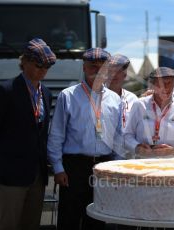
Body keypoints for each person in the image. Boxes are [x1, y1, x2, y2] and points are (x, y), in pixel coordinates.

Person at [0, 38, 56, 230]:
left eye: (48, 65)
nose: (43, 69)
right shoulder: (5, 91)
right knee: (9, 225)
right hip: (10, 176)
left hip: (37, 177)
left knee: (31, 225)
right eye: (39, 64)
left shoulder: (46, 93)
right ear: (24, 61)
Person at [47, 48, 122, 230]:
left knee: (96, 220)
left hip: (103, 167)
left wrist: (116, 166)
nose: (96, 70)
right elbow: (56, 135)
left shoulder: (114, 99)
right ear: (84, 67)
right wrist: (58, 168)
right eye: (91, 66)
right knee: (69, 219)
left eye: (101, 67)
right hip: (74, 168)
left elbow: (119, 136)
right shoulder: (68, 95)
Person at [124, 67, 174, 158]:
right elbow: (127, 136)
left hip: (172, 167)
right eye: (161, 84)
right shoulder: (139, 105)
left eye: (169, 83)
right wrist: (136, 148)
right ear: (152, 85)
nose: (165, 87)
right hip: (143, 164)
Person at [107, 54, 138, 159]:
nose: (114, 75)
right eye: (111, 71)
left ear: (124, 75)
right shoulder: (97, 97)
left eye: (118, 71)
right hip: (104, 155)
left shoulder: (132, 99)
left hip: (127, 156)